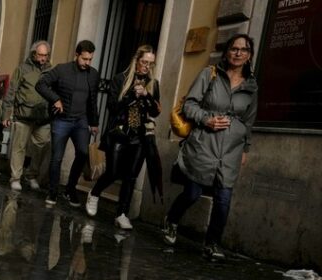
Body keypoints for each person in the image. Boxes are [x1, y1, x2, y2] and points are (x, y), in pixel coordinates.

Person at [162, 34, 258, 260]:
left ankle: (212, 243)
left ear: (249, 56)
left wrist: (245, 148)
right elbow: (189, 105)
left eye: (243, 50)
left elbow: (249, 121)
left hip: (231, 151)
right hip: (204, 144)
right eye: (234, 48)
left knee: (223, 199)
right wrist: (207, 120)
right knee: (193, 193)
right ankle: (172, 220)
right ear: (226, 52)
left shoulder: (252, 87)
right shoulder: (210, 74)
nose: (238, 53)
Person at [85, 45, 161, 230]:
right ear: (137, 60)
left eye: (151, 64)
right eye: (144, 62)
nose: (147, 67)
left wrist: (147, 95)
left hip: (140, 137)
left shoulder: (153, 83)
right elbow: (112, 107)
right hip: (119, 134)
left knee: (131, 176)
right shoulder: (120, 79)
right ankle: (94, 193)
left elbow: (154, 112)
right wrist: (131, 95)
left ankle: (122, 214)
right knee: (113, 171)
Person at [36, 40, 100, 207]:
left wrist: (94, 122)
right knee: (56, 158)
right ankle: (52, 191)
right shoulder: (62, 69)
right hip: (62, 120)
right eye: (84, 59)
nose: (87, 63)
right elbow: (41, 84)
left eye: (90, 59)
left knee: (83, 153)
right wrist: (55, 99)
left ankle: (70, 189)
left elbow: (93, 100)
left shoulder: (93, 74)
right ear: (76, 55)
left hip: (81, 121)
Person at [2, 40, 52, 192]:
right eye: (40, 55)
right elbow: (12, 91)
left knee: (42, 144)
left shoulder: (51, 70)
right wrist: (7, 113)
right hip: (23, 115)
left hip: (43, 117)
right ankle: (16, 178)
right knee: (19, 147)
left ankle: (31, 175)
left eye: (46, 55)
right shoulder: (22, 69)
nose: (43, 58)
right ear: (34, 54)